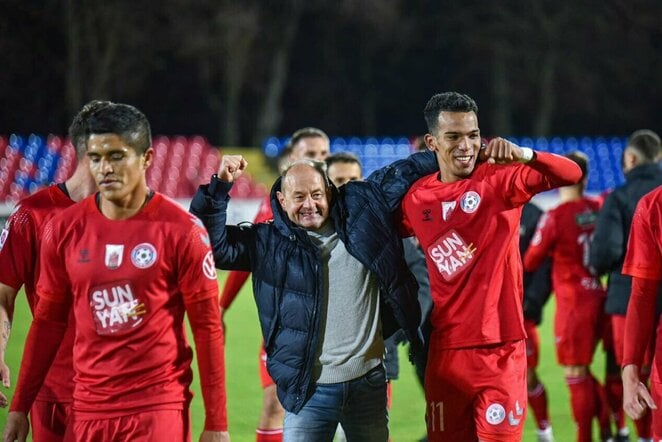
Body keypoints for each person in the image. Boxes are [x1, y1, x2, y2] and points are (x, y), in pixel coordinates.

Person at [2, 102, 230, 442]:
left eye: (116, 156)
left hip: (156, 406)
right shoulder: (59, 227)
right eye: (96, 158)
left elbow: (208, 328)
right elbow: (46, 321)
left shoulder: (183, 231)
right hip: (82, 404)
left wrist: (217, 423)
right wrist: (20, 405)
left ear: (147, 158)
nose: (104, 168)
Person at [190, 143, 438, 441]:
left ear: (329, 193)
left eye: (316, 195)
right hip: (308, 391)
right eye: (299, 197)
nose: (310, 204)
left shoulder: (362, 225)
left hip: (368, 385)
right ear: (281, 200)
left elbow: (402, 173)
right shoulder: (268, 243)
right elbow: (212, 247)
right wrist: (218, 190)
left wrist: (454, 151)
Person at [399, 91, 582, 441]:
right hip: (446, 353)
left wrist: (525, 155)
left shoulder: (501, 180)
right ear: (432, 142)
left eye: (472, 135)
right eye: (453, 137)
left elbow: (570, 174)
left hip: (501, 349)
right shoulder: (415, 199)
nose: (466, 145)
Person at [0, 100, 107, 441]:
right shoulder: (32, 215)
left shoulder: (138, 217)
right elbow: (4, 293)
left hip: (120, 391)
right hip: (53, 392)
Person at [219, 127, 331, 442]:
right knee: (274, 405)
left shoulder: (339, 205)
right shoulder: (272, 208)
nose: (319, 159)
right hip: (284, 332)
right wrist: (222, 305)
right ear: (292, 158)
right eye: (311, 154)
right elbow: (245, 260)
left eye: (323, 154)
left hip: (336, 336)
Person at [524, 152, 612, 442]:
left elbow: (531, 260)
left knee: (575, 375)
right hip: (600, 295)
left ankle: (585, 437)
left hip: (574, 305)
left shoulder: (555, 217)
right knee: (586, 372)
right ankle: (610, 429)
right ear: (586, 177)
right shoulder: (598, 207)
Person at [590, 129, 662, 441]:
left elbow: (643, 292)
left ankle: (623, 432)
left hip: (624, 296)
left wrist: (630, 367)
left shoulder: (648, 205)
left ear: (630, 159)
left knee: (626, 382)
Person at [621, 184, 662, 441]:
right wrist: (631, 370)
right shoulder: (652, 206)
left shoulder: (654, 204)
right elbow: (642, 295)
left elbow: (642, 296)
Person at [519, 202, 554, 442]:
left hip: (522, 312)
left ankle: (544, 431)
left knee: (527, 374)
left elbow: (545, 265)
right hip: (486, 312)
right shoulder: (485, 204)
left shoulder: (535, 215)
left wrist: (532, 301)